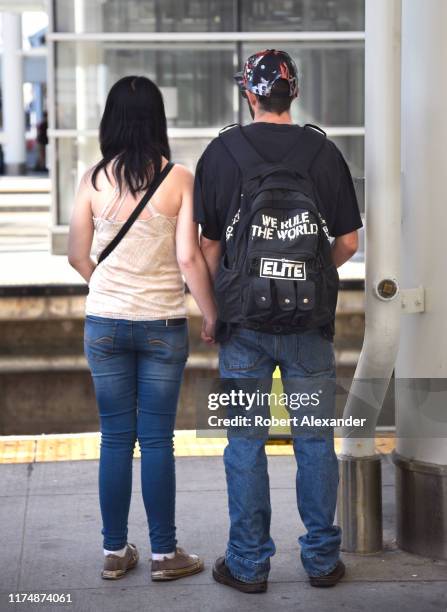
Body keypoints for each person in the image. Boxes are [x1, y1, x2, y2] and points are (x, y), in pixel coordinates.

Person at [194, 50, 363, 592]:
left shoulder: (221, 153)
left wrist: (218, 310)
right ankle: (321, 562)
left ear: (249, 93)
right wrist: (306, 277)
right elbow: (349, 242)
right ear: (293, 93)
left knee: (243, 444)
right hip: (309, 328)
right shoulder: (324, 152)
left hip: (242, 327)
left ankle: (247, 564)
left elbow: (208, 248)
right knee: (316, 441)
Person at [68, 76, 216, 581]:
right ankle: (163, 555)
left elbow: (76, 256)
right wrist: (210, 312)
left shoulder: (91, 178)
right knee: (156, 441)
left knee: (113, 439)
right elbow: (188, 257)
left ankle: (114, 552)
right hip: (162, 325)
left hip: (104, 323)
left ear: (111, 121)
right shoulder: (179, 179)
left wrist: (107, 289)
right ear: (158, 121)